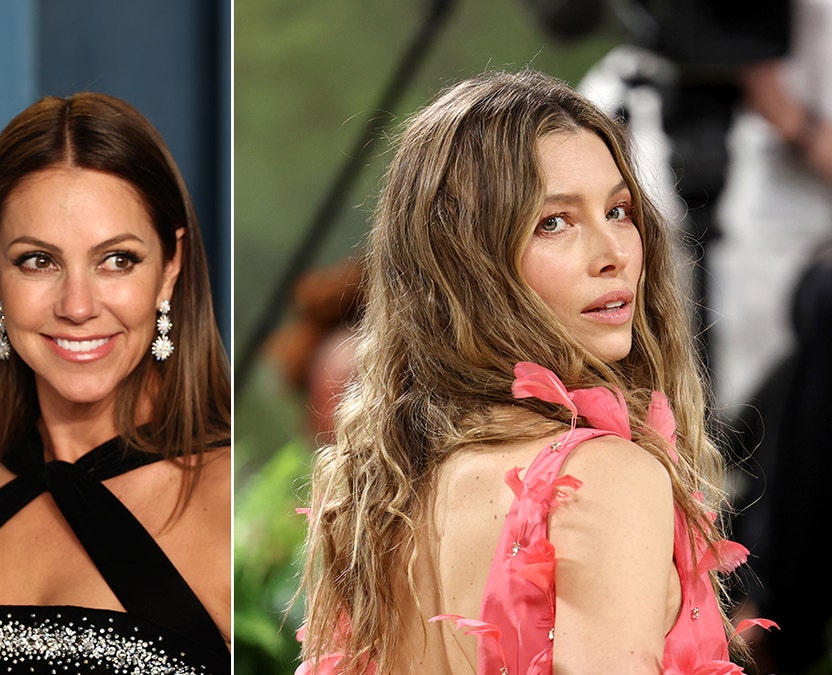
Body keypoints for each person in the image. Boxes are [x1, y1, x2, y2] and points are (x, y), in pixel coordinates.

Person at [296, 70, 772, 674]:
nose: (614, 253)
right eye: (555, 222)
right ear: (471, 261)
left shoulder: (376, 492)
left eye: (619, 210)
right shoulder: (605, 480)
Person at [0, 92, 231, 673]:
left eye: (116, 260)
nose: (77, 306)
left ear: (170, 267)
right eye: (38, 261)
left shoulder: (235, 505)